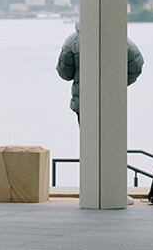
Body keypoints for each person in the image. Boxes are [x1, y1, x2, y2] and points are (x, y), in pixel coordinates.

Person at [56, 21, 144, 205]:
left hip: (84, 103)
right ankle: (116, 190)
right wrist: (117, 85)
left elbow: (64, 73)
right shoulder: (120, 38)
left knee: (90, 147)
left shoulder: (72, 40)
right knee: (113, 146)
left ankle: (91, 191)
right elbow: (137, 64)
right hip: (111, 102)